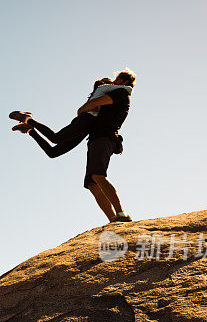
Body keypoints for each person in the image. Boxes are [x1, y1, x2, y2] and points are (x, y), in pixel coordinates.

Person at [9, 69, 136, 223]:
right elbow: (97, 100)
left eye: (117, 80)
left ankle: (121, 214)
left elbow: (95, 103)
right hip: (93, 135)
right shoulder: (109, 92)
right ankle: (113, 219)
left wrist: (82, 109)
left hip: (103, 137)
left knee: (97, 175)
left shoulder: (121, 93)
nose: (114, 82)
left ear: (123, 81)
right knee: (92, 183)